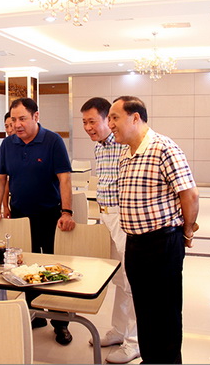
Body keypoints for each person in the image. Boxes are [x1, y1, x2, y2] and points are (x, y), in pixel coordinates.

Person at [107, 96, 199, 364]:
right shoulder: (126, 152)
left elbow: (190, 195)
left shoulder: (163, 148)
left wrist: (187, 232)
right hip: (135, 242)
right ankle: (150, 359)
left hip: (162, 242)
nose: (110, 124)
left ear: (135, 118)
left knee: (165, 313)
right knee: (144, 309)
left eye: (115, 117)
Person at [0, 97, 76, 345]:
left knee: (55, 269)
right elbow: (0, 178)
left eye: (22, 119)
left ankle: (61, 323)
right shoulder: (8, 144)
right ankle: (35, 313)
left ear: (36, 116)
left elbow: (65, 178)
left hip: (50, 216)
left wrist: (67, 212)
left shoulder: (53, 141)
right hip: (20, 217)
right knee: (24, 268)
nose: (17, 124)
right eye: (13, 119)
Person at [80, 97, 139, 363]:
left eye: (93, 121)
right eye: (84, 122)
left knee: (132, 279)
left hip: (123, 216)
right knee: (118, 278)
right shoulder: (100, 147)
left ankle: (134, 341)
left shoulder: (125, 144)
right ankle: (119, 331)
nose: (88, 127)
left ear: (109, 119)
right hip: (105, 217)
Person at [2, 111, 14, 218]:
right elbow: (3, 179)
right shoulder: (6, 144)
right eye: (6, 126)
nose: (9, 130)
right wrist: (5, 206)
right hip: (16, 205)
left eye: (11, 125)